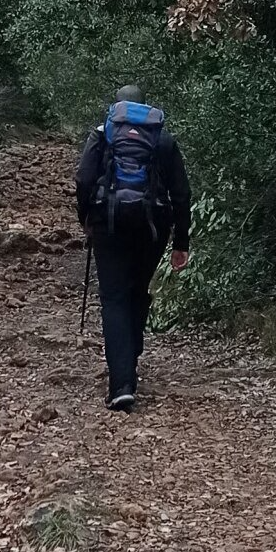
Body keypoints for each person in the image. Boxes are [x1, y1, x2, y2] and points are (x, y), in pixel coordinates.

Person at [74, 83, 191, 412]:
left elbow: (84, 179)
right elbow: (181, 194)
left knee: (114, 298)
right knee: (137, 291)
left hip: (109, 225)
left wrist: (86, 217)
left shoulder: (103, 135)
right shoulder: (162, 140)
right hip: (152, 226)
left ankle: (122, 383)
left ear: (117, 108)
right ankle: (131, 351)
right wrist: (181, 241)